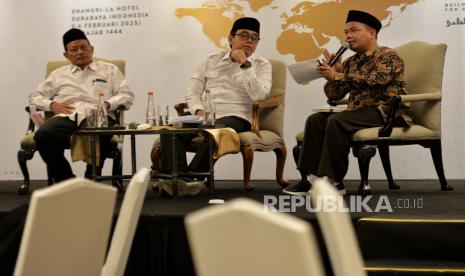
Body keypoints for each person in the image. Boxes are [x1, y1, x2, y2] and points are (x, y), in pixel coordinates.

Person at [283, 10, 412, 195]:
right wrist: (333, 75)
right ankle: (310, 179)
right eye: (346, 32)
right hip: (359, 113)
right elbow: (334, 95)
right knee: (316, 120)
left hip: (387, 112)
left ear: (372, 33)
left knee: (337, 121)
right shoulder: (351, 62)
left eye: (353, 30)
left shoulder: (388, 55)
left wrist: (338, 75)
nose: (348, 36)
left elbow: (376, 80)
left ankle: (334, 181)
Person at [158, 17, 272, 195]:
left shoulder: (261, 65)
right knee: (169, 129)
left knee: (216, 131)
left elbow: (259, 95)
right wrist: (198, 110)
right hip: (205, 114)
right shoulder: (211, 60)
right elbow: (192, 90)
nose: (249, 40)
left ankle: (191, 179)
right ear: (230, 38)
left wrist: (245, 64)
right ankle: (176, 178)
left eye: (254, 37)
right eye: (244, 35)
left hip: (237, 116)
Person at [29, 28, 134, 184]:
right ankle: (67, 181)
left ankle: (91, 179)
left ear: (91, 49)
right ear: (66, 55)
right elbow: (34, 97)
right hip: (67, 115)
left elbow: (127, 95)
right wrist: (52, 105)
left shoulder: (110, 70)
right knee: (43, 135)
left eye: (83, 47)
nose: (79, 52)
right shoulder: (58, 74)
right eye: (73, 49)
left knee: (103, 132)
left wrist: (107, 103)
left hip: (99, 115)